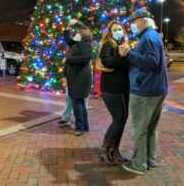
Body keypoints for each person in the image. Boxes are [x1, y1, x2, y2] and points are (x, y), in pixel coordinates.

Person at [119, 9, 168, 174]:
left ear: (142, 21)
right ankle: (149, 161)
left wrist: (128, 54)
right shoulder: (153, 36)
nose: (132, 26)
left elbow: (151, 62)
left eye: (133, 22)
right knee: (150, 129)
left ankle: (139, 164)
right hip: (156, 89)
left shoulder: (148, 37)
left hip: (145, 90)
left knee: (139, 129)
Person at [99, 20, 130, 165]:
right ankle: (105, 150)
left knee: (122, 119)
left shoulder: (122, 45)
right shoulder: (108, 44)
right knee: (118, 119)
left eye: (120, 28)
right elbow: (108, 63)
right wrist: (121, 55)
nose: (118, 31)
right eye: (115, 29)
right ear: (110, 32)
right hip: (111, 88)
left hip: (123, 87)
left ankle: (114, 150)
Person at [62, 20, 93, 136]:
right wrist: (68, 27)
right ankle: (84, 126)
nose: (75, 35)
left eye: (77, 33)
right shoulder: (76, 44)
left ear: (82, 34)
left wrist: (68, 60)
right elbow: (67, 39)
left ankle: (79, 127)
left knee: (77, 103)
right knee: (79, 103)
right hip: (75, 78)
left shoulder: (86, 45)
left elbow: (84, 58)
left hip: (81, 78)